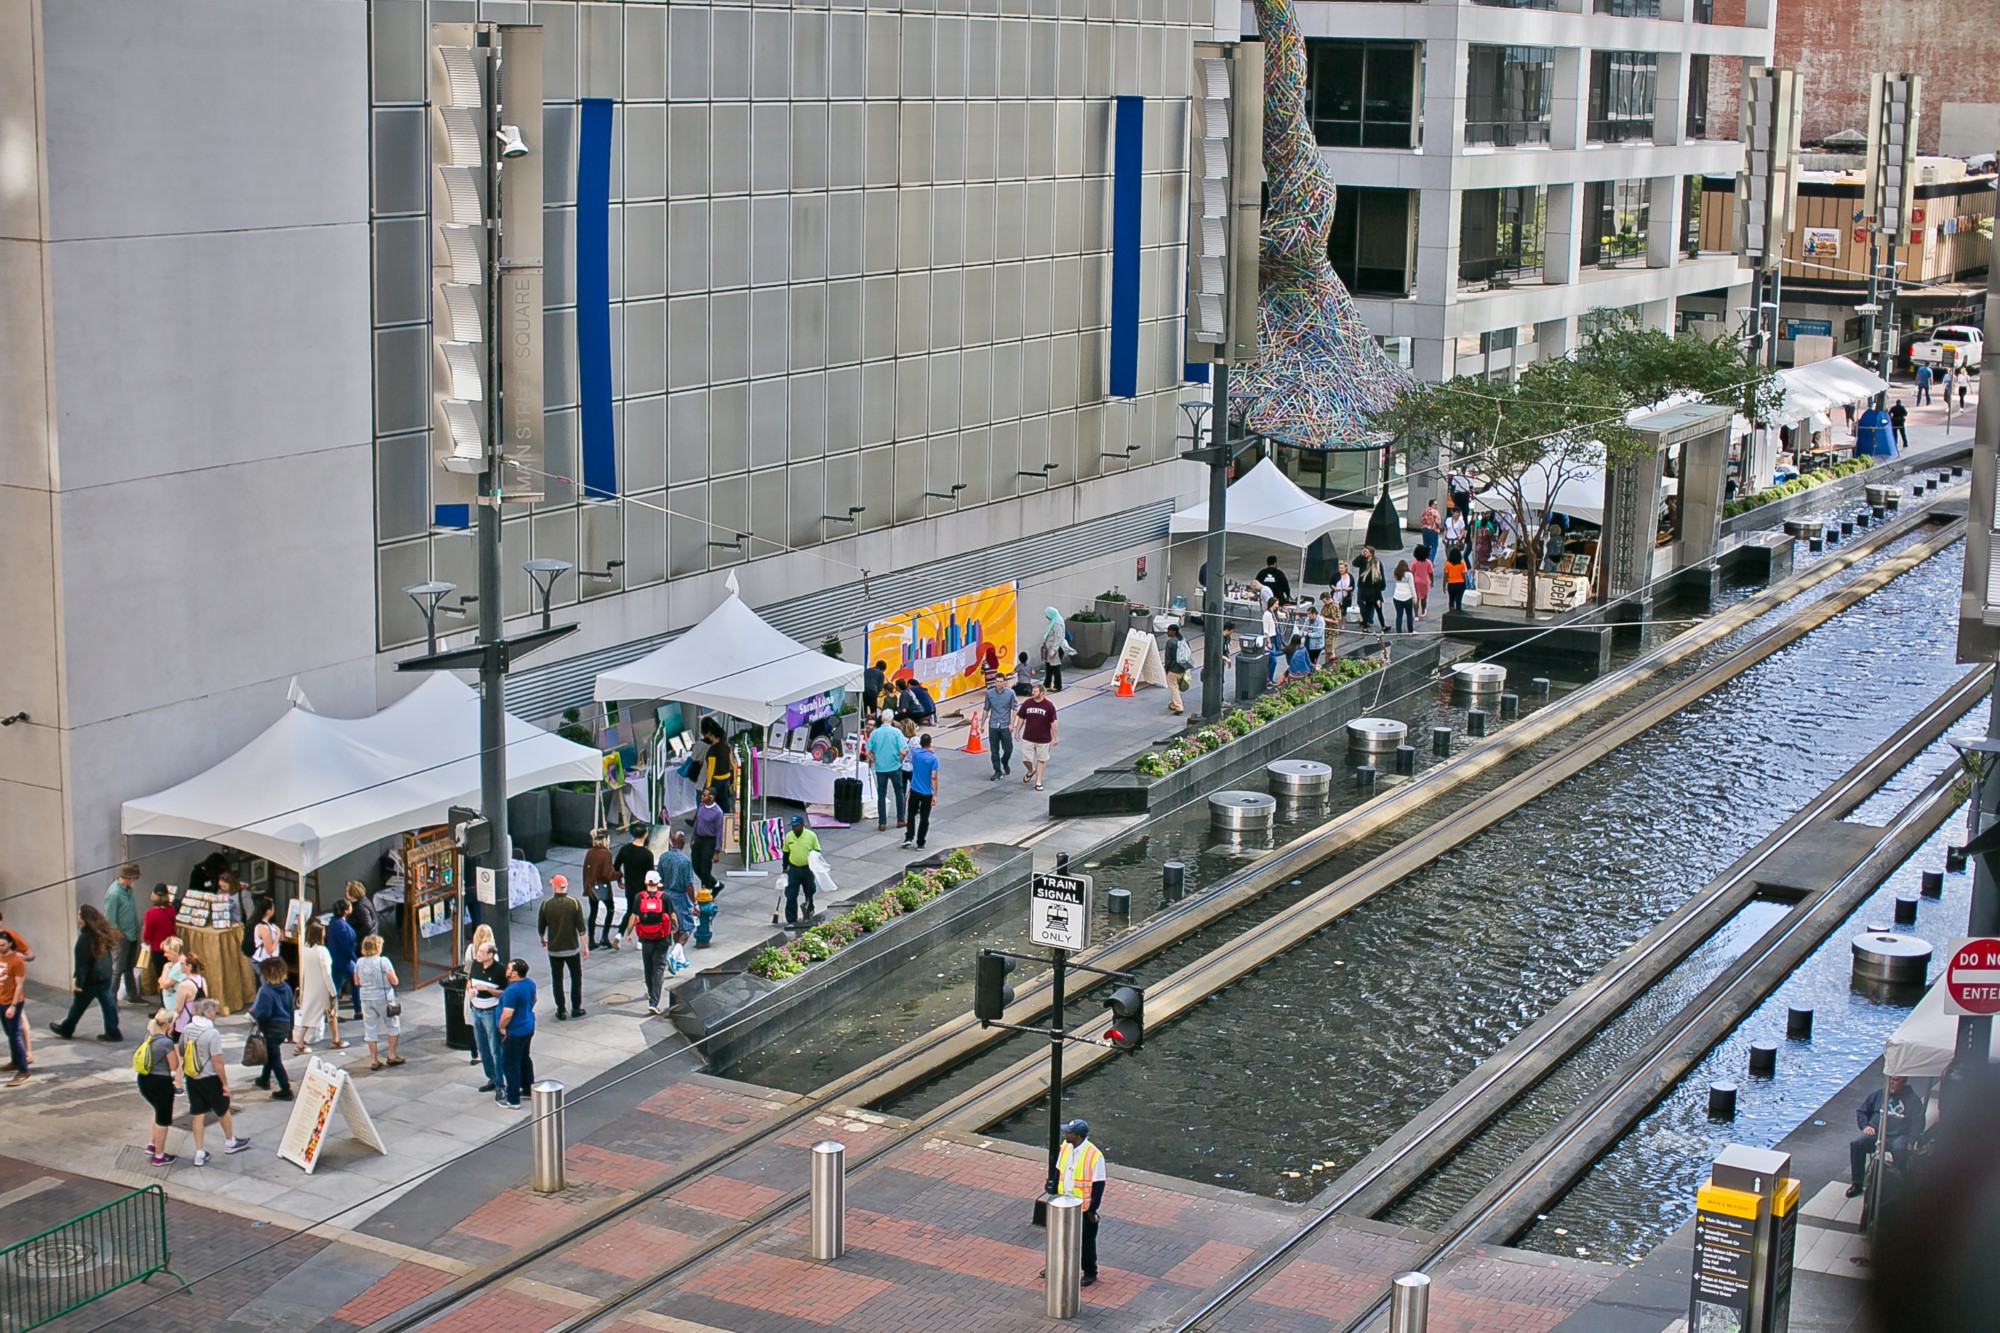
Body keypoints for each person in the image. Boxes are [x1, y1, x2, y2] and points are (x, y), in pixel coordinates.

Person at [179, 998, 250, 1164]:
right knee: (222, 1108)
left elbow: (182, 1049)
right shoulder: (212, 1034)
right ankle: (230, 1141)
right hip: (210, 1077)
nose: (216, 1014)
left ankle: (199, 1152)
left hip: (192, 1076)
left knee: (197, 1113)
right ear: (207, 1013)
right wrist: (224, 1084)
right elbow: (217, 1062)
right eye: (214, 1011)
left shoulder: (188, 1028)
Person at [48, 904, 122, 1042]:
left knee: (79, 1005)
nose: (77, 917)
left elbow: (82, 964)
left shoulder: (85, 938)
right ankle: (113, 1032)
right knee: (108, 1004)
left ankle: (66, 1028)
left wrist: (79, 984)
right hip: (104, 976)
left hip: (91, 979)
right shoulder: (102, 933)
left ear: (84, 919)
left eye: (78, 914)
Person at [1849, 1074, 1923, 1197]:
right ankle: (1857, 1183)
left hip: (1899, 1136)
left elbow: (1918, 1123)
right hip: (1876, 1133)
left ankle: (1898, 1184)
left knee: (1900, 1149)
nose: (1892, 1083)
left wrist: (1911, 1141)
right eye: (1890, 1080)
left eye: (1895, 1080)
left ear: (1904, 1081)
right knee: (1857, 1145)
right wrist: (1865, 1125)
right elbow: (1862, 1111)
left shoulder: (1913, 1100)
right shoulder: (1878, 1095)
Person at [1057, 1119, 1107, 1287]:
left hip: (1083, 1207)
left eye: (1068, 1132)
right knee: (1060, 1237)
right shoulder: (1065, 1146)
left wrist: (1092, 1210)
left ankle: (1089, 1271)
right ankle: (1057, 1266)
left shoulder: (1094, 1155)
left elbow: (1098, 1185)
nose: (1065, 1134)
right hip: (1064, 1201)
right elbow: (1059, 1170)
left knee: (1086, 1241)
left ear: (1077, 1136)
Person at [134, 1008, 182, 1163]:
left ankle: (152, 1144)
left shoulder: (149, 1036)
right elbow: (174, 1065)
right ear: (167, 1024)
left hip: (144, 1079)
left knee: (157, 1110)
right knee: (163, 1120)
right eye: (173, 1023)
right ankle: (159, 1156)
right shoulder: (166, 1043)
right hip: (161, 1083)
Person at [537, 874, 587, 1020]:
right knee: (576, 978)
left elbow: (541, 927)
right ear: (566, 886)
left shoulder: (546, 905)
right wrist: (585, 946)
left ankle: (561, 1010)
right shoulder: (574, 903)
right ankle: (576, 1008)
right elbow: (581, 929)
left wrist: (543, 939)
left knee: (557, 980)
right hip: (572, 949)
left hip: (554, 950)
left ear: (554, 887)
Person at [628, 870, 677, 1012]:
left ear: (645, 882)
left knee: (648, 967)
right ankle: (654, 1002)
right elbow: (672, 916)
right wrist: (675, 926)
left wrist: (628, 933)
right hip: (662, 938)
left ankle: (651, 994)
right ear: (658, 883)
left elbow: (633, 916)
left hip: (646, 938)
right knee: (659, 968)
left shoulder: (639, 897)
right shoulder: (665, 898)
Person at [292, 921, 343, 1054]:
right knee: (332, 1014)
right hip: (322, 989)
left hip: (310, 987)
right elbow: (327, 974)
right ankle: (335, 1040)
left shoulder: (305, 950)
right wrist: (332, 991)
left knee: (308, 1016)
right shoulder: (322, 951)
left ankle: (300, 1043)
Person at [353, 934, 403, 1068]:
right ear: (378, 947)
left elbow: (356, 981)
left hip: (365, 997)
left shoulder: (359, 962)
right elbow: (395, 981)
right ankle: (391, 1055)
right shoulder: (383, 961)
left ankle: (374, 1060)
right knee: (392, 1025)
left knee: (370, 1028)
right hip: (383, 997)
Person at [248, 957, 295, 1098]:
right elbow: (290, 1008)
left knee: (275, 1058)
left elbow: (264, 1013)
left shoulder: (265, 991)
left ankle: (285, 1088)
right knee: (271, 1053)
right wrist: (291, 1029)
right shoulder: (286, 988)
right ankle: (264, 1079)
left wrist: (253, 1012)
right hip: (284, 1026)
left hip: (271, 1028)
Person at [463, 937, 506, 1091]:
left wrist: (487, 990)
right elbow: (469, 981)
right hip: (476, 1010)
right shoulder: (475, 964)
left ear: (490, 955)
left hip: (490, 1012)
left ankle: (501, 1082)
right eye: (478, 951)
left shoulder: (500, 970)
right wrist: (471, 990)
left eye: (481, 952)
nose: (478, 954)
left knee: (495, 1047)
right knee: (482, 1046)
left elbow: (503, 993)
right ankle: (492, 1078)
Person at [496, 959, 537, 1109]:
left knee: (510, 1064)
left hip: (514, 1032)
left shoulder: (511, 991)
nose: (506, 970)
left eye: (508, 969)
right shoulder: (530, 983)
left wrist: (501, 1027)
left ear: (514, 973)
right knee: (524, 1059)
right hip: (528, 1027)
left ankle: (512, 1099)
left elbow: (507, 1014)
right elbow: (534, 999)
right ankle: (527, 1089)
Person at [105, 863, 143, 1005]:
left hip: (131, 933)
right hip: (121, 936)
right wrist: (117, 933)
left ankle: (132, 995)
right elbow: (110, 918)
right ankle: (111, 1000)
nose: (135, 881)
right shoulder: (114, 893)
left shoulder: (128, 890)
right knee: (118, 968)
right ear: (127, 877)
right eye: (134, 878)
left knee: (129, 967)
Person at [868, 713, 909, 831]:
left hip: (880, 768)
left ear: (881, 719)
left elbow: (868, 751)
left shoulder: (875, 733)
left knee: (881, 794)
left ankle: (882, 822)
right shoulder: (896, 733)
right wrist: (899, 761)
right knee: (899, 792)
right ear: (892, 720)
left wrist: (874, 760)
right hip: (894, 766)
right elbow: (903, 751)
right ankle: (900, 819)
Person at [614, 825, 656, 940]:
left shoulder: (625, 849)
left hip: (629, 886)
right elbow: (650, 874)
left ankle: (619, 934)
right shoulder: (647, 854)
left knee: (630, 911)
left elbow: (616, 865)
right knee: (643, 913)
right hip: (643, 888)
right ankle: (640, 940)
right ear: (645, 835)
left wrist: (619, 880)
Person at [1016, 683, 1059, 792]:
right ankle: (1031, 770)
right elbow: (1021, 718)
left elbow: (1053, 722)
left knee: (1041, 760)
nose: (1032, 693)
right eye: (1032, 691)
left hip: (1043, 739)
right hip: (1028, 737)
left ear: (1041, 693)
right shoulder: (1027, 703)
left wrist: (1054, 737)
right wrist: (1017, 732)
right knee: (1025, 759)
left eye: (1035, 691)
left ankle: (1038, 781)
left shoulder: (1049, 705)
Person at [657, 831, 697, 944]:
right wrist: (694, 902)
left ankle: (677, 954)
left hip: (666, 895)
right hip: (680, 898)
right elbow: (689, 885)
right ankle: (676, 952)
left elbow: (659, 880)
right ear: (683, 842)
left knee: (674, 927)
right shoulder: (685, 861)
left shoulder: (663, 857)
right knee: (687, 927)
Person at [781, 816, 821, 927]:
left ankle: (809, 909)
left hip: (807, 869)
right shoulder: (789, 836)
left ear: (802, 825)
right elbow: (786, 853)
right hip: (793, 868)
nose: (795, 828)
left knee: (810, 890)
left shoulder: (811, 836)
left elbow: (817, 850)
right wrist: (785, 867)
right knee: (791, 894)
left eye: (797, 826)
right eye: (793, 826)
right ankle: (791, 919)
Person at [0, 933, 28, 1086]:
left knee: (15, 1035)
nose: (0, 948)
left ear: (10, 944)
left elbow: (19, 985)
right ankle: (15, 1061)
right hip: (1, 999)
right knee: (9, 1034)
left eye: (3, 945)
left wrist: (13, 1005)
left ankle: (23, 1069)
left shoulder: (17, 961)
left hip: (11, 1002)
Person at [583, 829, 617, 948]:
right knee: (611, 909)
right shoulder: (605, 853)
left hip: (591, 887)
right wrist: (619, 875)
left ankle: (591, 939)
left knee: (593, 912)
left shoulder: (590, 852)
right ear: (604, 840)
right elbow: (607, 874)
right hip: (603, 887)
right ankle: (604, 936)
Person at [907, 735, 940, 850]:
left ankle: (909, 837)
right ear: (930, 743)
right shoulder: (933, 758)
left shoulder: (915, 753)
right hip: (927, 792)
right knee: (924, 818)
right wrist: (935, 794)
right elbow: (934, 777)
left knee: (911, 814)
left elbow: (913, 749)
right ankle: (920, 842)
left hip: (915, 789)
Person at [328, 898, 359, 1021]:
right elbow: (345, 946)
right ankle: (358, 1009)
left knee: (336, 985)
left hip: (338, 959)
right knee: (353, 982)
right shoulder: (340, 926)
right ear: (346, 910)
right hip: (343, 960)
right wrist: (355, 959)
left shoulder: (334, 922)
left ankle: (331, 1011)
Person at [690, 790, 725, 894]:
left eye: (705, 795)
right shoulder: (701, 806)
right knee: (695, 866)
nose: (702, 796)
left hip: (709, 841)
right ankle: (716, 884)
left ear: (711, 797)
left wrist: (717, 851)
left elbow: (719, 832)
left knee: (705, 868)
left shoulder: (718, 812)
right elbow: (696, 822)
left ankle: (706, 891)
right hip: (699, 839)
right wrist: (693, 838)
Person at [699, 717, 736, 813]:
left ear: (714, 736)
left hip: (716, 777)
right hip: (726, 776)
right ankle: (727, 816)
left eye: (710, 736)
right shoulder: (726, 745)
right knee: (723, 798)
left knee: (706, 799)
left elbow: (711, 768)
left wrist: (708, 784)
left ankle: (701, 818)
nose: (709, 738)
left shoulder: (713, 750)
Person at [141, 885, 175, 987]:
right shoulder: (171, 909)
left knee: (161, 975)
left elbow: (147, 933)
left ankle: (163, 999)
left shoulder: (150, 913)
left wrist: (145, 940)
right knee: (171, 974)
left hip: (157, 948)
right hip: (171, 947)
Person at [984, 675, 1018, 776]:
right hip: (993, 725)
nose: (999, 684)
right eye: (997, 681)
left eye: (1001, 682)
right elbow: (986, 709)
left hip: (1005, 725)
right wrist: (982, 725)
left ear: (1004, 682)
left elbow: (1014, 709)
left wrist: (1012, 724)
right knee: (994, 750)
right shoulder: (989, 694)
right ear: (995, 682)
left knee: (1008, 748)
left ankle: (1005, 761)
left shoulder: (1010, 693)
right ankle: (997, 771)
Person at [1161, 623, 1191, 714]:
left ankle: (1178, 706)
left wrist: (1167, 668)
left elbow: (1168, 658)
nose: (1167, 632)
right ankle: (1173, 704)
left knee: (1173, 687)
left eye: (1169, 631)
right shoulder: (1183, 640)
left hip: (1173, 669)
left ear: (1173, 632)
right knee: (1176, 686)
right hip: (1183, 668)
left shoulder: (1170, 642)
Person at [1355, 548, 1386, 631]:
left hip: (1369, 592)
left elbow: (1381, 577)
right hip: (1373, 592)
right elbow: (1355, 563)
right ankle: (1382, 626)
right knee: (1377, 610)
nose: (1365, 553)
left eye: (1366, 551)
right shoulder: (1363, 561)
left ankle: (1366, 625)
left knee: (1369, 608)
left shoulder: (1370, 571)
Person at [1040, 607, 1070, 692]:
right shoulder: (1053, 621)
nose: (1046, 617)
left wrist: (1053, 650)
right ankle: (1047, 684)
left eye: (1047, 615)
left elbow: (1059, 638)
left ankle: (1058, 685)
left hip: (1056, 648)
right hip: (1050, 648)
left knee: (1055, 667)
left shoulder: (1057, 623)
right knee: (1049, 666)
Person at [345, 880, 380, 945]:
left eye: (347, 891)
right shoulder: (363, 900)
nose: (345, 893)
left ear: (353, 893)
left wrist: (355, 935)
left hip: (365, 940)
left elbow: (368, 925)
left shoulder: (360, 906)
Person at [1391, 559, 1417, 633]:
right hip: (1407, 597)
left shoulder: (1396, 574)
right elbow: (1412, 586)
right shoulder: (1409, 575)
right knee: (1409, 615)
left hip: (1397, 597)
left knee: (1399, 615)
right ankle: (1410, 631)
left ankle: (1399, 632)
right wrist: (1414, 597)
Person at [1443, 546, 1469, 614]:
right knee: (1458, 600)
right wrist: (1465, 583)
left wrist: (1444, 585)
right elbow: (1464, 575)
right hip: (1460, 583)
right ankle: (1458, 613)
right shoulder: (1462, 564)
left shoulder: (1447, 564)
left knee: (1451, 599)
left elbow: (1446, 575)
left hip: (1451, 584)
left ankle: (1451, 613)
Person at [1410, 547, 1434, 619]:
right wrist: (1432, 581)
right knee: (1424, 598)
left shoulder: (1414, 562)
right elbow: (1431, 573)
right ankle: (1423, 611)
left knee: (1416, 599)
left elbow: (1411, 572)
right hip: (1424, 582)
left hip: (1415, 582)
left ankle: (1416, 615)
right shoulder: (1428, 562)